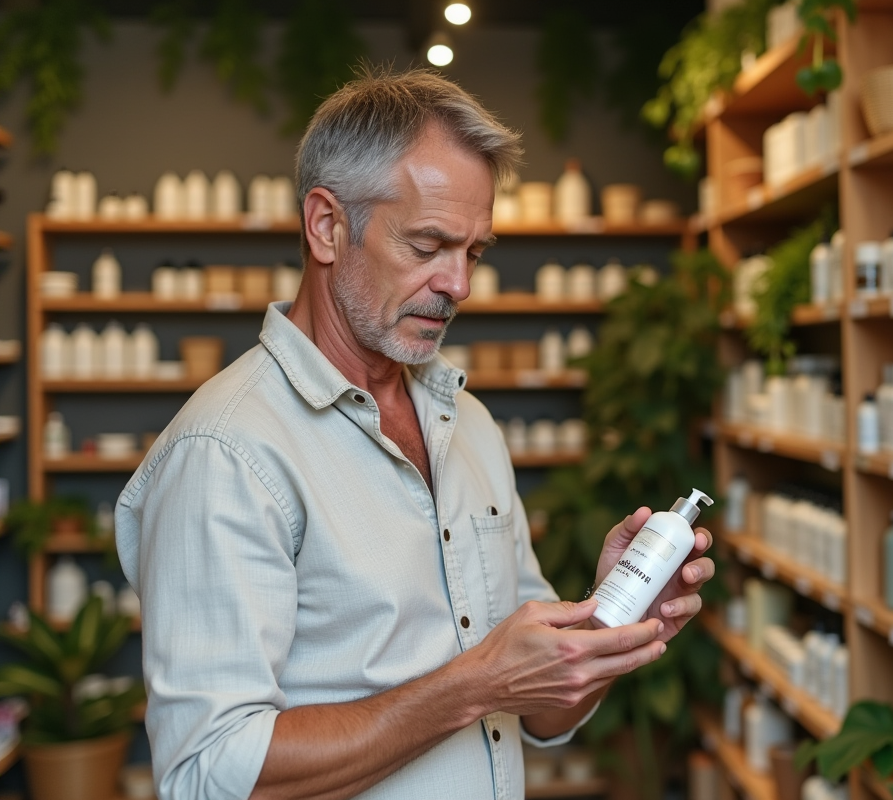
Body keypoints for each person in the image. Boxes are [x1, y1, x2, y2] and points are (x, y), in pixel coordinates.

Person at [115, 68, 714, 800]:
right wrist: (473, 684)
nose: (459, 285)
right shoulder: (226, 453)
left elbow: (543, 717)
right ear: (327, 226)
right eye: (428, 246)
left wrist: (612, 622)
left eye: (476, 252)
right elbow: (208, 775)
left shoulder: (469, 425)